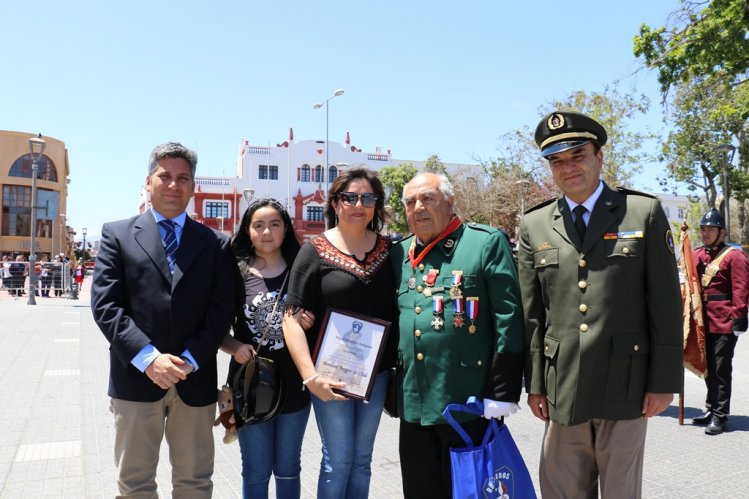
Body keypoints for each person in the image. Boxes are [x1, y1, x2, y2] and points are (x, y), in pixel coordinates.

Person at [518, 111, 683, 498]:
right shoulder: (535, 224)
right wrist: (536, 384)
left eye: (577, 155)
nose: (568, 167)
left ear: (599, 157)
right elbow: (532, 316)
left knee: (620, 491)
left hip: (625, 384)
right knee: (562, 491)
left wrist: (663, 382)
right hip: (563, 387)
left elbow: (665, 305)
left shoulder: (643, 212)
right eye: (557, 161)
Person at [91, 142, 236, 498]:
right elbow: (106, 305)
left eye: (183, 178)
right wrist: (150, 359)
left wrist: (188, 360)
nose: (173, 185)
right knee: (135, 484)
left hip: (195, 380)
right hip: (136, 380)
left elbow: (222, 309)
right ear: (148, 181)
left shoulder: (215, 243)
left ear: (192, 186)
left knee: (195, 483)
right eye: (165, 176)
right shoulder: (117, 235)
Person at [390, 172, 525, 498]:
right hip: (415, 401)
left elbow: (509, 316)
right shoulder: (399, 253)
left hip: (468, 401)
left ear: (451, 203)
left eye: (427, 199)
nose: (418, 208)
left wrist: (503, 391)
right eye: (410, 202)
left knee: (471, 491)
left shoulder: (484, 243)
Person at [283, 167, 397, 499]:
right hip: (329, 374)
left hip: (375, 376)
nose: (359, 204)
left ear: (376, 204)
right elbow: (291, 318)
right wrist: (310, 376)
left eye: (368, 197)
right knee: (338, 459)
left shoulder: (391, 251)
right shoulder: (314, 250)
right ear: (335, 203)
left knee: (362, 460)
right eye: (350, 197)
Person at [220, 198, 315, 498]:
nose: (266, 232)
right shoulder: (235, 272)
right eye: (258, 225)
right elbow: (215, 327)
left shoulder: (303, 269)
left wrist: (309, 323)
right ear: (248, 231)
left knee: (288, 469)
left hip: (294, 385)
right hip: (249, 385)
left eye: (274, 224)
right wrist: (234, 346)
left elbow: (320, 322)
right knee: (256, 471)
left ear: (285, 229)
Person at [691, 208, 749, 435]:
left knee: (721, 369)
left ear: (722, 231)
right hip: (701, 320)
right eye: (703, 229)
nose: (705, 233)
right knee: (707, 367)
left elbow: (741, 288)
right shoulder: (697, 254)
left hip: (723, 320)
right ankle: (710, 407)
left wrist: (739, 317)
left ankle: (720, 415)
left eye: (711, 229)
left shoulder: (734, 256)